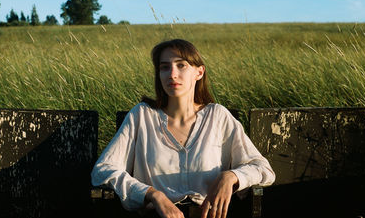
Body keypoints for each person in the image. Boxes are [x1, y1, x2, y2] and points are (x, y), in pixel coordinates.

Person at [91, 39, 275, 218]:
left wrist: (231, 176)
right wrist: (153, 194)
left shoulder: (217, 116)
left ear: (199, 72)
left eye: (181, 65)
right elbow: (103, 170)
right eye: (164, 67)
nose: (172, 74)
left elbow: (262, 169)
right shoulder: (142, 116)